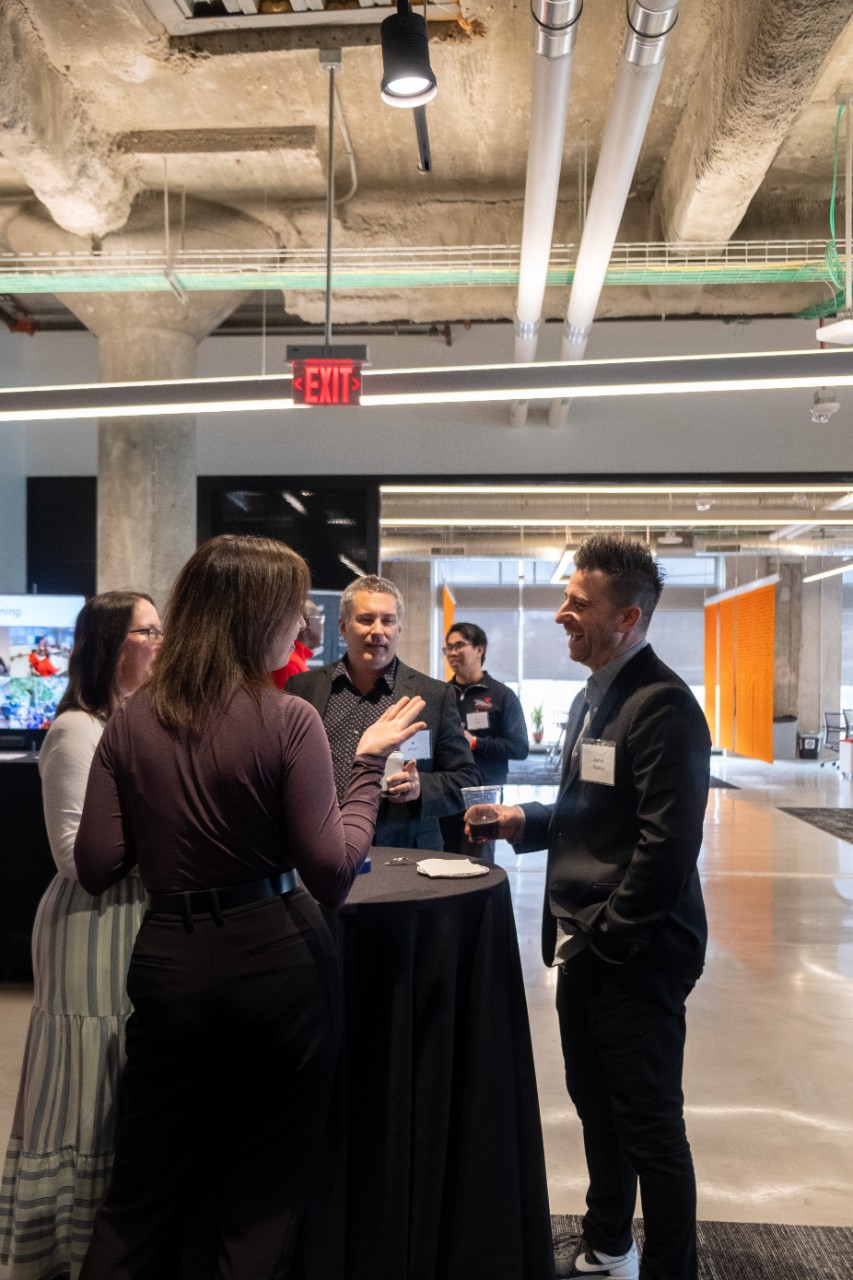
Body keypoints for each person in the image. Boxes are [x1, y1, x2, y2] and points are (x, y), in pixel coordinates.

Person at [72, 535, 425, 1280]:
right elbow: (332, 871)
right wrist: (364, 767)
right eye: (293, 610)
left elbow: (98, 864)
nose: (302, 627)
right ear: (253, 616)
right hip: (275, 964)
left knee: (139, 1192)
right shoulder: (287, 719)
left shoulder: (131, 721)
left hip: (168, 960)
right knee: (261, 1196)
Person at [467, 535, 710, 1280]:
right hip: (587, 948)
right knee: (595, 1108)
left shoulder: (661, 705)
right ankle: (609, 1243)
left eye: (578, 605)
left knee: (647, 1125)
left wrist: (604, 941)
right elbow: (586, 808)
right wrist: (524, 822)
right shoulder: (591, 696)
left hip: (632, 954)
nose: (560, 615)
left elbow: (664, 849)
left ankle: (672, 1268)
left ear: (627, 617)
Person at [0, 591, 163, 1280]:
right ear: (110, 645)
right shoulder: (76, 729)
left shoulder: (135, 718)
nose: (160, 641)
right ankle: (67, 1247)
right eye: (147, 631)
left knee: (119, 1072)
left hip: (131, 914)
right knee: (86, 1081)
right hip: (90, 924)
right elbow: (73, 855)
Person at [287, 575, 479, 851]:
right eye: (366, 620)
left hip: (405, 853)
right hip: (319, 848)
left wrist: (419, 785)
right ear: (343, 627)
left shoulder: (433, 695)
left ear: (398, 628)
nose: (378, 630)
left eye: (388, 620)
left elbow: (467, 779)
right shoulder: (303, 688)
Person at [441, 620, 529, 858]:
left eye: (459, 645)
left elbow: (520, 748)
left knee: (477, 864)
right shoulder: (442, 695)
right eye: (448, 647)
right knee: (444, 861)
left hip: (483, 796)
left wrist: (476, 743)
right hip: (447, 793)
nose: (452, 653)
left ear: (479, 649)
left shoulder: (501, 695)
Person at [271, 597, 324, 688]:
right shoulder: (290, 664)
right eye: (319, 619)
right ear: (307, 622)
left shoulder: (292, 661)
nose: (321, 625)